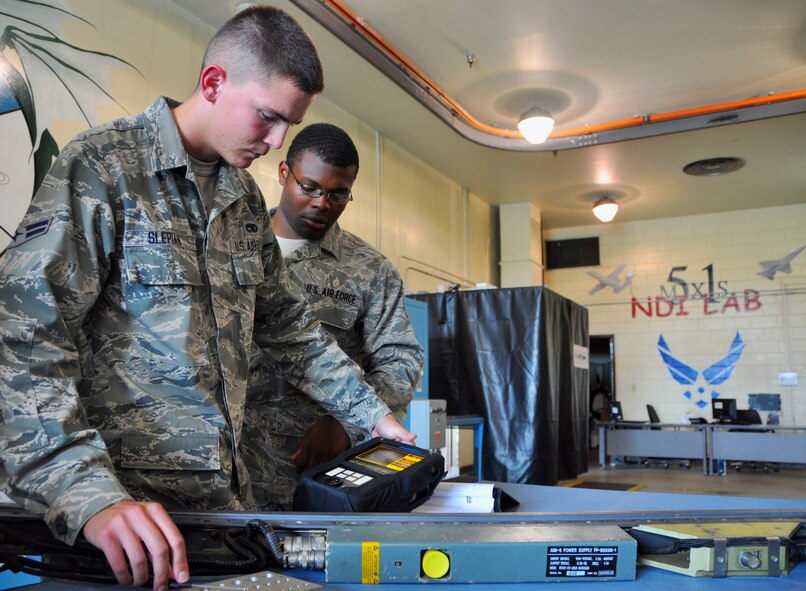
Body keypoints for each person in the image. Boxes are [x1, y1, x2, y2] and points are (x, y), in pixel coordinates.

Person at [0, 6, 413, 591]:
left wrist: (370, 414)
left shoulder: (242, 198)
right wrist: (86, 494)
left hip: (217, 518)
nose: (276, 143)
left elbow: (289, 328)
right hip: (116, 528)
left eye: (288, 126)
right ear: (214, 82)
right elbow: (23, 338)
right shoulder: (104, 168)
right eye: (268, 118)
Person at [241, 123, 424, 509]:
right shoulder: (234, 245)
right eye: (309, 187)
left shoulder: (369, 270)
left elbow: (400, 360)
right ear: (283, 173)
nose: (322, 203)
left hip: (304, 475)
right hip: (216, 467)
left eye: (338, 194)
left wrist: (346, 425)